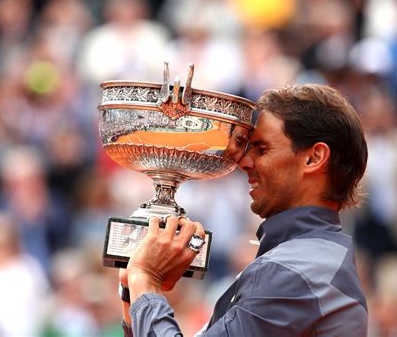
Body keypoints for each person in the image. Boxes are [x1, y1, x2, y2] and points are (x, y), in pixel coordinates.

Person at [118, 84, 369, 336]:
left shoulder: (294, 271)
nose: (244, 162)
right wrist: (133, 295)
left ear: (314, 158)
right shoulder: (312, 261)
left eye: (262, 149)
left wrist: (146, 278)